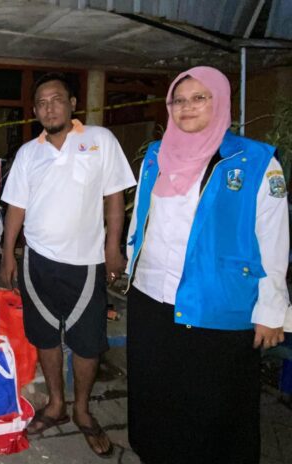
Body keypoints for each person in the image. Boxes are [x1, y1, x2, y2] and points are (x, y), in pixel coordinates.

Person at [125, 66, 292, 464]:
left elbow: (274, 239)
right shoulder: (156, 155)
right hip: (151, 297)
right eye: (179, 100)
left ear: (220, 102)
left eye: (199, 98)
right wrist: (131, 262)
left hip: (217, 303)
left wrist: (271, 311)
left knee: (213, 402)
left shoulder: (254, 160)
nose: (186, 107)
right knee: (154, 390)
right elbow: (142, 216)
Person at [0, 72, 136, 458]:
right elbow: (16, 208)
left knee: (88, 343)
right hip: (38, 262)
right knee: (44, 336)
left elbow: (114, 197)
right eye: (42, 103)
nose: (50, 108)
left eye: (57, 99)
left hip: (87, 263)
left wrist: (113, 247)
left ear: (73, 103)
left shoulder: (100, 140)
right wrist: (7, 254)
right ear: (34, 111)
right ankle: (57, 404)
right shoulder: (29, 153)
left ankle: (83, 410)